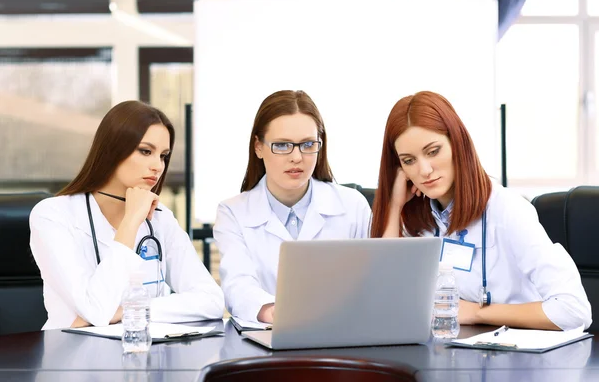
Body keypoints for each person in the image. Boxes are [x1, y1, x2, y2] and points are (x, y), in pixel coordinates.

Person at [370, 91, 591, 331]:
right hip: (448, 352)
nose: (424, 170)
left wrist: (477, 312)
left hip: (518, 358)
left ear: (458, 143)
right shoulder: (414, 217)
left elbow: (573, 310)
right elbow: (385, 303)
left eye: (433, 151)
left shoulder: (507, 210)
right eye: (409, 160)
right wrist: (393, 207)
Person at [29, 100, 224, 330]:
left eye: (163, 155)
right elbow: (97, 310)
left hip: (146, 352)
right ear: (113, 149)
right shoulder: (53, 215)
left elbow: (212, 300)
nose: (157, 166)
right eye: (145, 151)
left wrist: (128, 311)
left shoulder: (160, 218)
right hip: (74, 357)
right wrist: (131, 222)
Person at [213, 90, 372, 323]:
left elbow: (370, 283)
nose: (297, 157)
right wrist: (277, 313)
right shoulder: (233, 212)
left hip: (341, 338)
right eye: (282, 145)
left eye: (308, 144)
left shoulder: (352, 205)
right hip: (268, 339)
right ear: (258, 147)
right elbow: (238, 286)